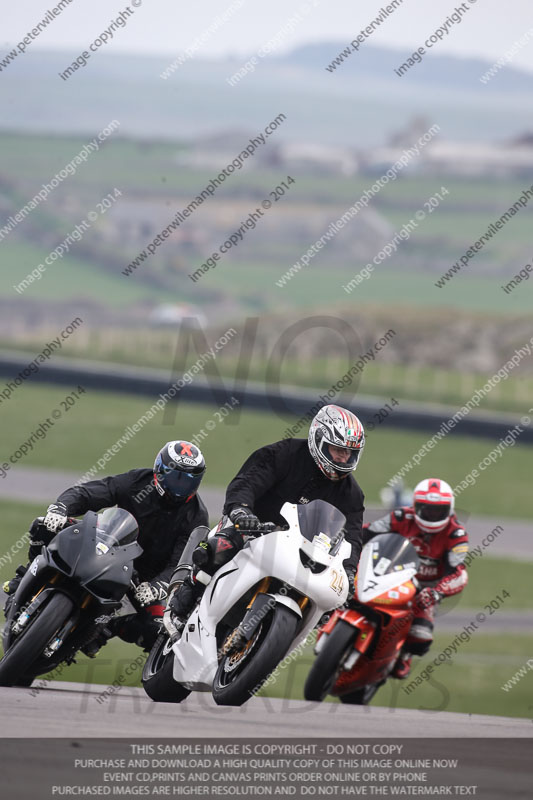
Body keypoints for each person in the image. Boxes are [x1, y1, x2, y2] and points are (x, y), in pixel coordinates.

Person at [168, 405, 366, 625]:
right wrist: (241, 510)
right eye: (337, 450)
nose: (343, 458)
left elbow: (353, 537)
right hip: (254, 528)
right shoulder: (285, 453)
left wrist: (348, 570)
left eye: (349, 453)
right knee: (221, 548)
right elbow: (248, 482)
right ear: (318, 439)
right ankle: (185, 598)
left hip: (303, 551)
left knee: (329, 605)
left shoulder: (352, 494)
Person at [3, 440, 208, 653]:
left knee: (156, 631)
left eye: (188, 481)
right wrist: (61, 508)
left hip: (141, 582)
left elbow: (181, 562)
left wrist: (158, 586)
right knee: (42, 525)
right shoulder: (138, 481)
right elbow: (93, 492)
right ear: (159, 470)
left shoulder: (197, 516)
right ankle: (27, 575)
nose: (180, 487)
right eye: (176, 478)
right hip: (108, 545)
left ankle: (111, 626)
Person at [362, 478, 468, 679]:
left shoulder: (457, 534)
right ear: (415, 505)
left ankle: (404, 655)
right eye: (426, 509)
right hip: (388, 574)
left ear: (449, 509)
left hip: (425, 589)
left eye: (438, 510)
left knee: (421, 637)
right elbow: (368, 531)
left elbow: (458, 572)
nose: (432, 514)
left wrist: (437, 592)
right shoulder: (401, 516)